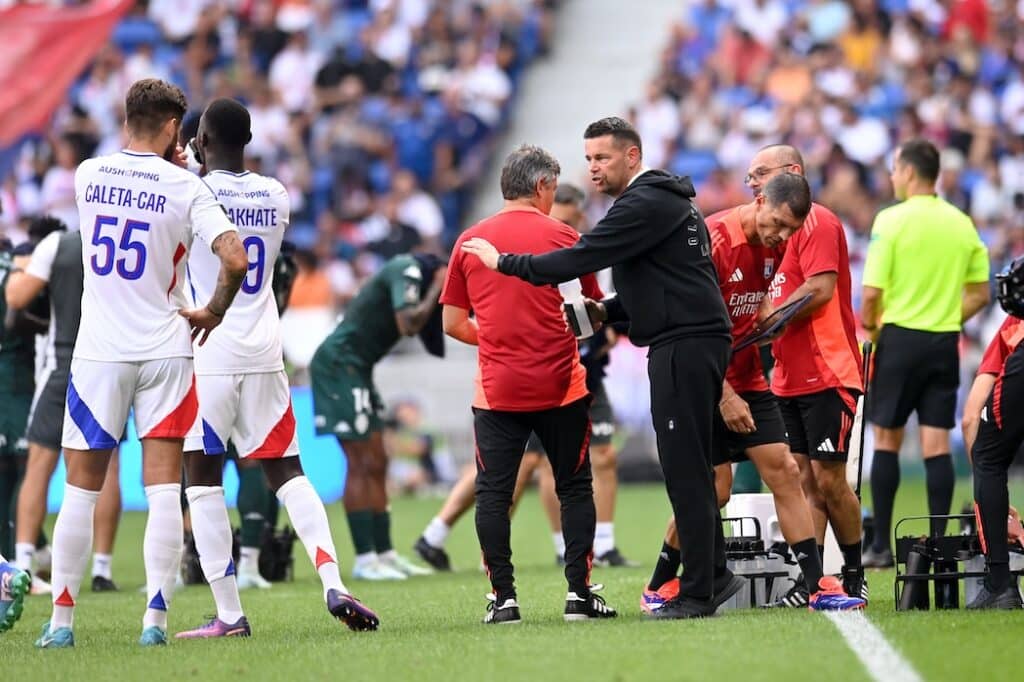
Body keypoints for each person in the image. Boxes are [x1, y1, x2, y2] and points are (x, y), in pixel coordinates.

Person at [462, 117, 739, 619]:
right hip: (688, 340)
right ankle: (713, 575)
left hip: (685, 345)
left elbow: (581, 256)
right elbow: (657, 286)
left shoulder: (643, 203)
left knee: (684, 468)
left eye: (603, 158)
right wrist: (608, 311)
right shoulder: (657, 202)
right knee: (688, 466)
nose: (592, 168)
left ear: (632, 157)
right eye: (588, 158)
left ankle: (701, 590)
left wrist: (505, 264)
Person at [35, 78, 249, 649]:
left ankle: (61, 624)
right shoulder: (186, 187)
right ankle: (154, 621)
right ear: (175, 127)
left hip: (99, 351)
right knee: (160, 491)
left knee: (80, 489)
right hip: (167, 346)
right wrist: (215, 312)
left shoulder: (87, 174)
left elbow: (132, 177)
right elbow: (236, 258)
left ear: (126, 117)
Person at [175, 98, 379, 639]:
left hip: (207, 343)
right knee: (287, 471)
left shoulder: (193, 191)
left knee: (201, 474)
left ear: (202, 139)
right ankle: (333, 580)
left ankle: (229, 614)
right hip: (265, 347)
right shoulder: (275, 193)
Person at [640, 173, 865, 613]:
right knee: (715, 490)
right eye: (776, 224)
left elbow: (763, 300)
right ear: (758, 199)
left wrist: (770, 314)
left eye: (788, 231)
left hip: (748, 377)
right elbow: (692, 325)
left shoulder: (778, 242)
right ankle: (660, 582)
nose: (779, 237)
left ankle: (819, 584)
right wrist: (723, 395)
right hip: (706, 378)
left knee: (783, 469)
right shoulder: (713, 241)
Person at [413, 183, 636, 571]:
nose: (557, 224)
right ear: (542, 194)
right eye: (556, 215)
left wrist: (600, 328)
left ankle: (583, 550)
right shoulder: (540, 245)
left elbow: (597, 315)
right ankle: (445, 533)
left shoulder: (572, 246)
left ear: (579, 218)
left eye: (567, 220)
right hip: (541, 373)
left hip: (575, 373)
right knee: (524, 472)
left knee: (586, 460)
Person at [444, 144, 616, 624]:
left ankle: (504, 600)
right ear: (542, 187)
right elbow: (590, 314)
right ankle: (579, 596)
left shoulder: (469, 241)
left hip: (498, 389)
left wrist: (498, 337)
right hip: (561, 384)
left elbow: (453, 322)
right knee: (575, 487)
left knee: (494, 493)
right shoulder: (565, 236)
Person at [860, 138, 991, 568]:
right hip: (941, 342)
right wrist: (946, 315)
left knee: (886, 439)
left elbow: (872, 294)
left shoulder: (891, 220)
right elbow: (981, 292)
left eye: (896, 168)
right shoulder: (960, 222)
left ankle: (879, 545)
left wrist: (874, 331)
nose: (893, 176)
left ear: (910, 172)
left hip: (897, 339)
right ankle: (939, 544)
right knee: (936, 443)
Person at [748, 145, 867, 607]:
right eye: (750, 177)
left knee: (831, 478)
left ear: (792, 173)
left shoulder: (817, 221)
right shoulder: (769, 234)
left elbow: (818, 289)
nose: (754, 182)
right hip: (788, 374)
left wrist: (768, 316)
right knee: (802, 480)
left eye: (761, 173)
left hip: (828, 368)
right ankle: (814, 579)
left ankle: (854, 573)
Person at [310, 252, 445, 581]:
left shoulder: (415, 275)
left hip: (358, 369)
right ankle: (365, 559)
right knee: (360, 462)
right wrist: (437, 287)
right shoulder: (407, 268)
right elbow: (409, 323)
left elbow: (432, 338)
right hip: (338, 366)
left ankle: (385, 555)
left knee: (378, 460)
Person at [6, 217, 123, 594]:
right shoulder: (122, 241)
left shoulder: (58, 245)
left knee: (39, 465)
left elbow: (16, 299)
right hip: (108, 364)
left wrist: (18, 271)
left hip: (63, 365)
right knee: (108, 470)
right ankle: (102, 568)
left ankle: (24, 562)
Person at [960, 269, 1024, 609]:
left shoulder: (1012, 327)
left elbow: (970, 417)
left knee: (988, 455)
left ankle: (1000, 583)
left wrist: (991, 495)